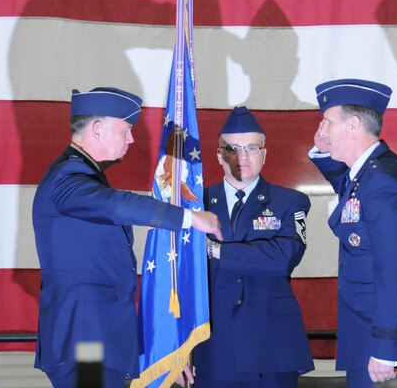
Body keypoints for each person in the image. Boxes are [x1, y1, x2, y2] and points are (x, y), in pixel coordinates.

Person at [32, 87, 223, 388]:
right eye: (126, 130)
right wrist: (189, 218)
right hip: (86, 341)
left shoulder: (83, 175)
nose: (131, 139)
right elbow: (117, 205)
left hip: (97, 337)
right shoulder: (68, 177)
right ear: (97, 130)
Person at [309, 78, 397, 387]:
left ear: (352, 125)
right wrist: (324, 153)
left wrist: (386, 349)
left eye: (328, 121)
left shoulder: (383, 182)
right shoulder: (367, 175)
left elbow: (393, 270)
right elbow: (349, 192)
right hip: (364, 331)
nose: (322, 129)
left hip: (378, 341)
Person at [193, 106, 314, 387]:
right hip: (212, 346)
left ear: (264, 154)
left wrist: (215, 250)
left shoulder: (290, 202)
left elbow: (283, 257)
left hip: (271, 344)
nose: (242, 157)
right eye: (232, 148)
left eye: (251, 148)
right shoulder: (194, 204)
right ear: (219, 155)